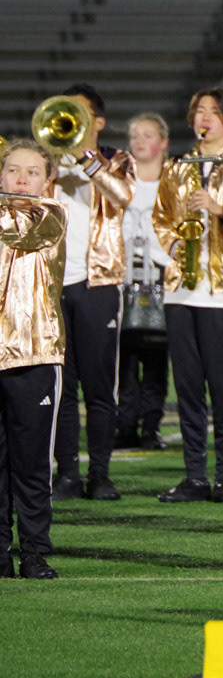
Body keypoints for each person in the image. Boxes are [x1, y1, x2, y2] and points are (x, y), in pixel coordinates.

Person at [151, 88, 223, 503]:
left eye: (214, 112)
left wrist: (221, 210)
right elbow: (160, 217)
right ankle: (195, 476)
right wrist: (173, 247)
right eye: (199, 110)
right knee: (187, 388)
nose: (205, 117)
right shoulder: (177, 166)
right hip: (182, 289)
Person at [48, 84, 135, 502]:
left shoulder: (117, 159)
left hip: (98, 283)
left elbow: (123, 197)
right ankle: (66, 472)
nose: (74, 121)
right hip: (51, 284)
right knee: (62, 387)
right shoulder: (48, 161)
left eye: (81, 114)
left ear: (98, 122)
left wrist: (88, 161)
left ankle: (100, 473)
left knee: (100, 387)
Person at [0, 139, 69, 578]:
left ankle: (34, 553)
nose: (22, 179)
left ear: (47, 180)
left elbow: (19, 232)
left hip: (35, 353)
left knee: (31, 463)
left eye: (32, 172)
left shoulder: (52, 213)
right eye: (12, 170)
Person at [114, 113, 172, 452]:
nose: (138, 141)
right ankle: (124, 425)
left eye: (147, 135)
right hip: (122, 276)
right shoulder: (118, 181)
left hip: (160, 275)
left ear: (163, 142)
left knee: (154, 356)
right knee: (123, 357)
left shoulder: (173, 182)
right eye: (134, 135)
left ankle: (151, 426)